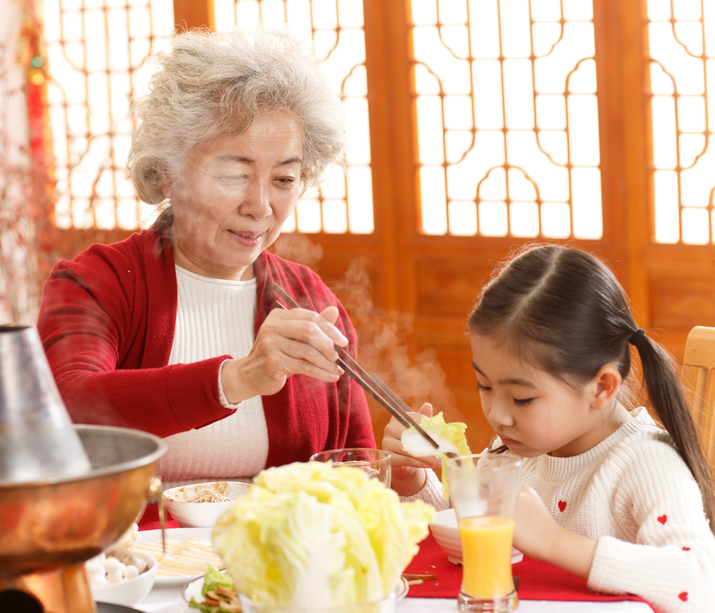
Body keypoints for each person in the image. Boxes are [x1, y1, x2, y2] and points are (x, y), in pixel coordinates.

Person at [37, 27, 375, 488]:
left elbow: (354, 470)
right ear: (167, 175)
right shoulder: (100, 282)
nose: (259, 206)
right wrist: (239, 378)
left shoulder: (308, 299)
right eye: (236, 174)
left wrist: (412, 480)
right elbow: (69, 408)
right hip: (134, 556)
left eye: (283, 180)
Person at [382, 244, 715, 613]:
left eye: (522, 399)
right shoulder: (511, 452)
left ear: (601, 387)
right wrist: (414, 482)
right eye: (485, 386)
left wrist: (551, 540)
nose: (497, 416)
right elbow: (471, 537)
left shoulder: (647, 462)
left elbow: (700, 584)